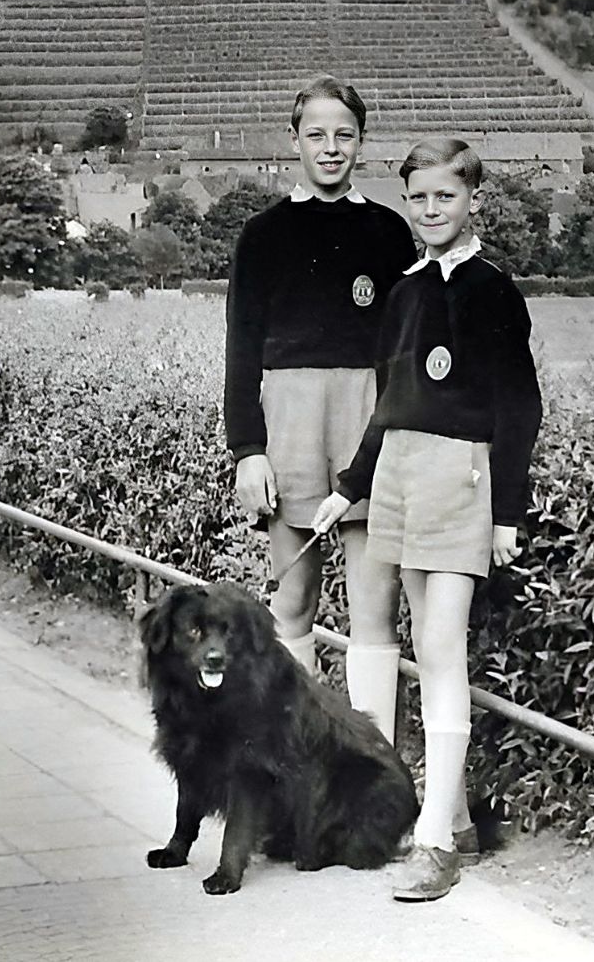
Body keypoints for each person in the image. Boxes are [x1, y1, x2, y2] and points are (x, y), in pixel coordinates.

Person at [314, 138, 543, 903]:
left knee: (441, 648)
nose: (431, 210)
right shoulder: (405, 290)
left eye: (446, 196)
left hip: (460, 474)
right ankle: (462, 820)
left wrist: (506, 509)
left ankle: (437, 839)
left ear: (472, 197)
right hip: (403, 474)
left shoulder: (494, 289)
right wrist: (349, 485)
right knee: (423, 642)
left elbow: (520, 407)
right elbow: (389, 404)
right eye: (419, 198)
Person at [225, 77, 418, 723]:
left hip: (368, 426)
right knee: (293, 601)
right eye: (317, 135)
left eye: (344, 135)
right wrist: (249, 451)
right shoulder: (262, 235)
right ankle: (295, 776)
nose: (330, 148)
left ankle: (371, 783)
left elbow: (402, 357)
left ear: (361, 142)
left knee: (374, 604)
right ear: (295, 141)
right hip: (291, 424)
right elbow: (241, 352)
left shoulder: (389, 233)